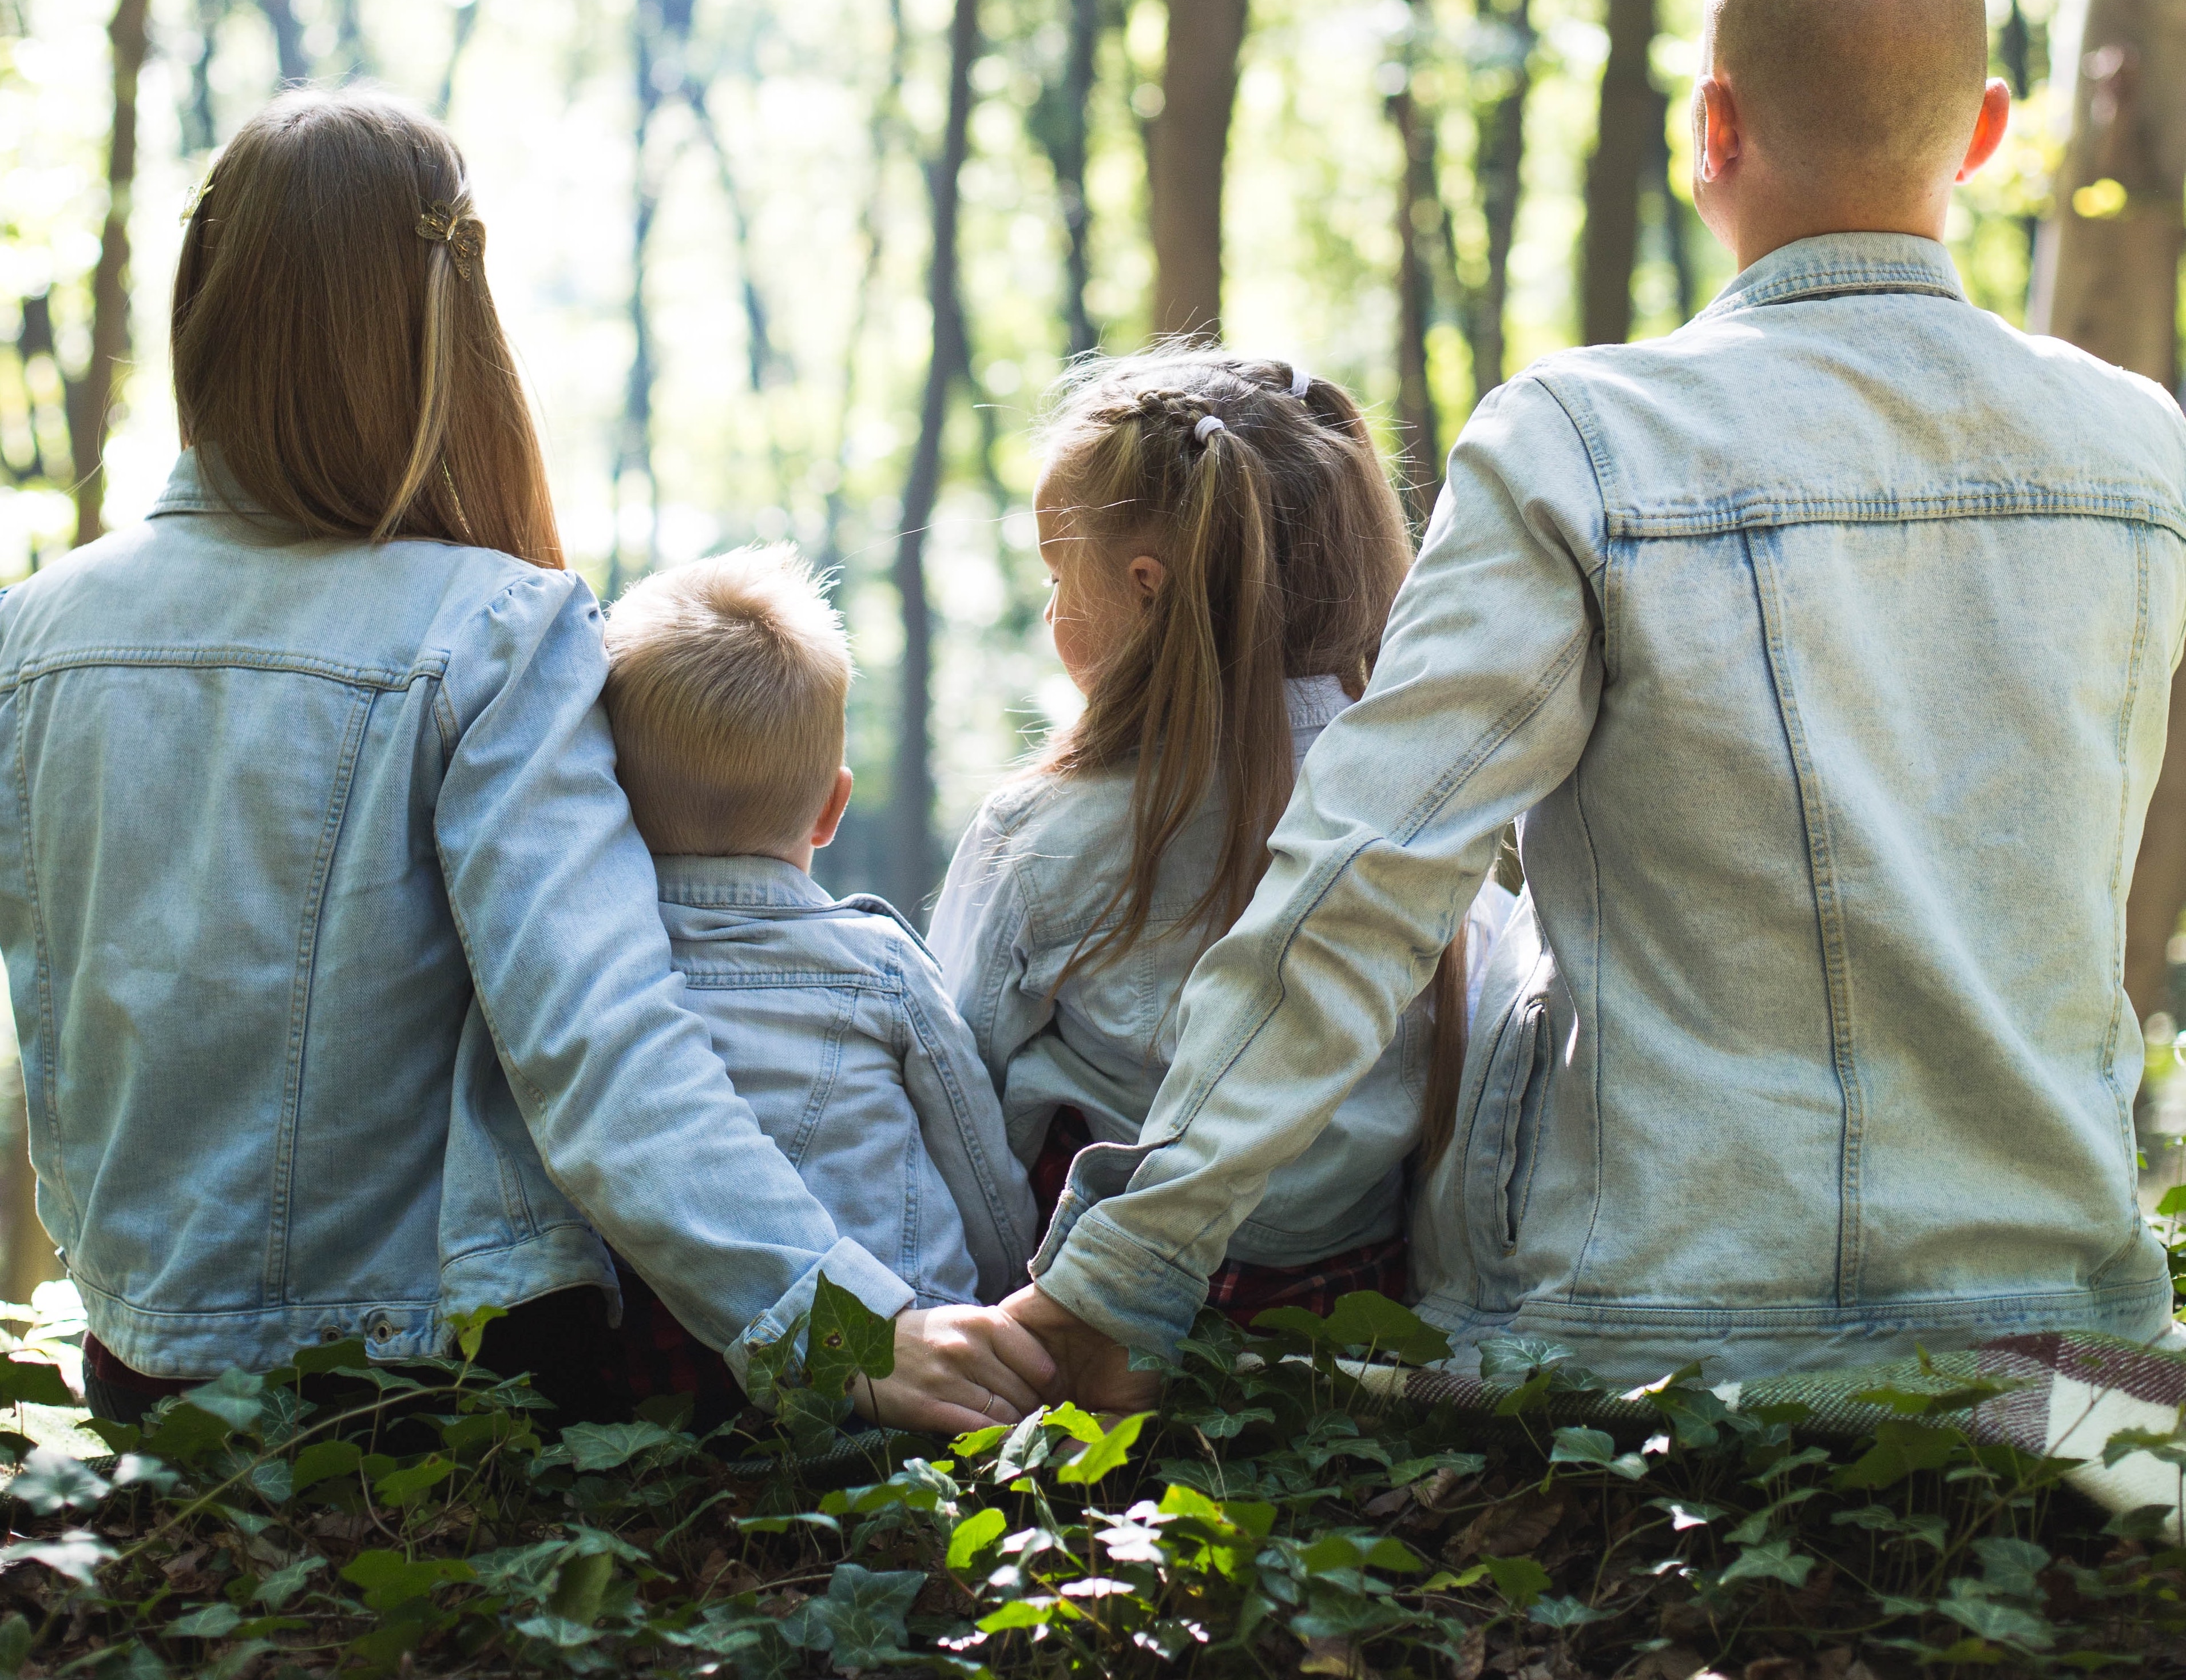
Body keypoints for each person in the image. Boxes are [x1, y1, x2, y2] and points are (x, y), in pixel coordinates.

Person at [1001, 0, 2186, 1401]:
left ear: (1709, 125)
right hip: (2066, 1338)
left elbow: (1364, 875)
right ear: (1983, 134)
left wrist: (1122, 1272)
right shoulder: (2137, 451)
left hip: (1650, 1332)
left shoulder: (1583, 441)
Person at [7, 86, 1050, 1433]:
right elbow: (599, 1041)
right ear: (446, 322)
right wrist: (837, 1322)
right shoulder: (492, 629)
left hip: (141, 1376)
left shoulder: (28, 633)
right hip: (420, 1392)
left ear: (202, 301)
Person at [932, 351, 1513, 1323]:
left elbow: (956, 1085)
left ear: (1146, 587)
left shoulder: (1041, 834)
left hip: (1084, 1312)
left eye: (1056, 574)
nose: (1048, 611)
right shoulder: (1431, 822)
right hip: (1353, 1310)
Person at [600, 546, 1035, 1333]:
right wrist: (1006, 1290)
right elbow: (982, 1179)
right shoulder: (880, 968)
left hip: (673, 1370)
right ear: (832, 808)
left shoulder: (588, 976)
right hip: (904, 1357)